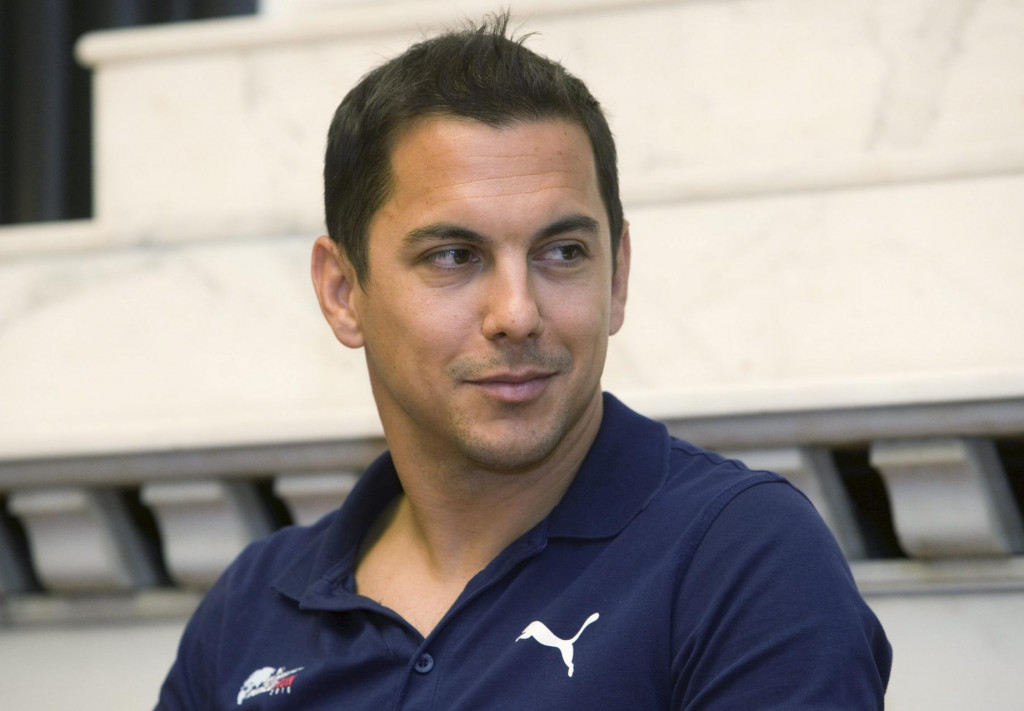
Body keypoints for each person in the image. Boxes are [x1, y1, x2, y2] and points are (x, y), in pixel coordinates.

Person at [156, 12, 891, 710]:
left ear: (617, 277)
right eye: (454, 256)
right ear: (344, 292)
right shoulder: (249, 608)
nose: (517, 313)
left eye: (562, 252)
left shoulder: (742, 555)